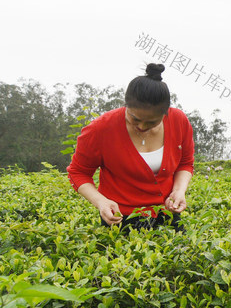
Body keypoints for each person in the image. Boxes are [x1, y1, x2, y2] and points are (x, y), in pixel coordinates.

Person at [68, 63, 194, 232]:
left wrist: (179, 191)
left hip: (167, 214)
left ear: (166, 113)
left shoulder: (178, 121)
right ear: (125, 105)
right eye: (134, 119)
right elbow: (78, 172)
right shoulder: (100, 129)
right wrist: (101, 202)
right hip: (119, 218)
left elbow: (185, 163)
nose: (142, 126)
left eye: (152, 122)